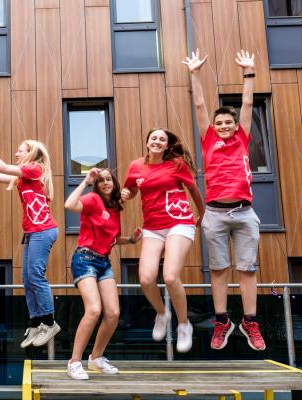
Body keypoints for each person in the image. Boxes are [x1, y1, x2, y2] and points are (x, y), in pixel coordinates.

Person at [184, 49, 265, 351]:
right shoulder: (208, 139)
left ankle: (250, 321)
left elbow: (246, 103)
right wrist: (195, 73)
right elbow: (199, 104)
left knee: (247, 268)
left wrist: (249, 72)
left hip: (244, 213)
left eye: (227, 123)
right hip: (216, 214)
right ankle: (222, 321)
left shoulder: (242, 137)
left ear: (235, 126)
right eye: (219, 123)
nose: (223, 126)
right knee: (219, 269)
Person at [121, 128, 205, 353]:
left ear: (167, 146)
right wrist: (126, 193)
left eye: (162, 139)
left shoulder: (176, 165)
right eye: (153, 138)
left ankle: (184, 324)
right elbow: (131, 188)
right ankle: (161, 312)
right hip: (153, 227)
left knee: (169, 276)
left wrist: (203, 214)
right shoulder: (136, 166)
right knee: (146, 279)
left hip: (180, 222)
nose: (157, 141)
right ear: (147, 142)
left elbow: (194, 190)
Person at [0, 130, 60, 348]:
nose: (16, 153)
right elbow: (0, 175)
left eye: (20, 151)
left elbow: (4, 167)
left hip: (43, 230)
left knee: (36, 275)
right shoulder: (24, 175)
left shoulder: (35, 168)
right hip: (33, 232)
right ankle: (35, 324)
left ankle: (49, 323)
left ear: (31, 154)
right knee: (27, 278)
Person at [64, 168, 141, 380]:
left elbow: (113, 239)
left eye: (109, 179)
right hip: (85, 259)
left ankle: (96, 358)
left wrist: (132, 240)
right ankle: (74, 362)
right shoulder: (92, 199)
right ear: (96, 185)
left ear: (114, 183)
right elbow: (69, 205)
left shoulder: (115, 208)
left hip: (104, 262)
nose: (105, 182)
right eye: (101, 180)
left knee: (113, 313)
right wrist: (85, 182)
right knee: (94, 310)